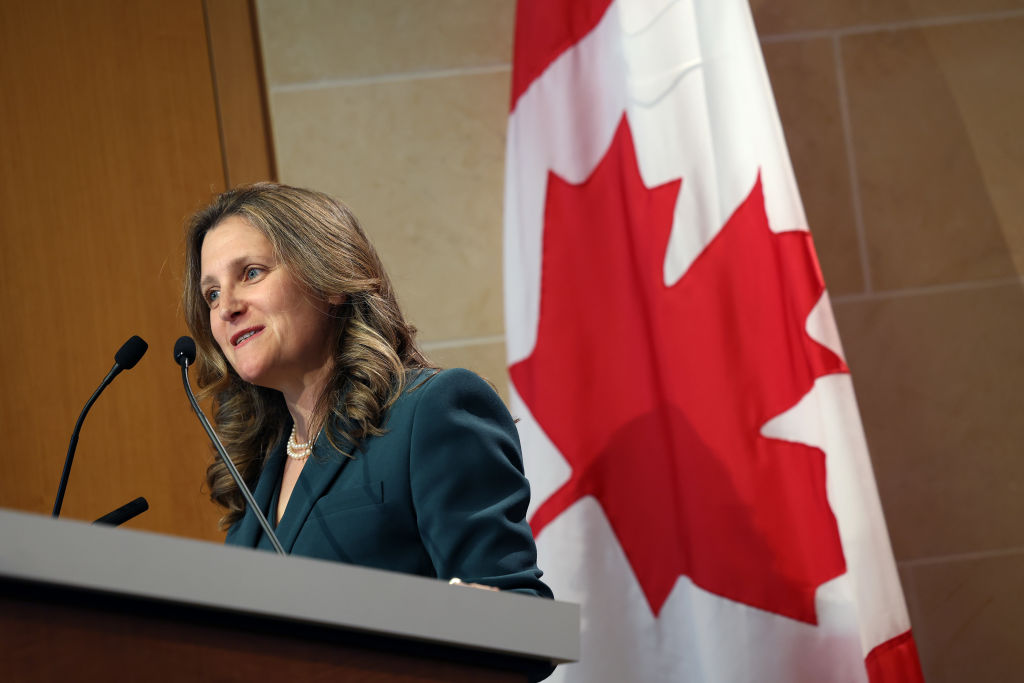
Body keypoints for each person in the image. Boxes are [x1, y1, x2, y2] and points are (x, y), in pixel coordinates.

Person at [182, 183, 551, 600]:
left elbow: (518, 612)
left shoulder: (432, 410)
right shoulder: (254, 472)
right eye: (211, 294)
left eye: (251, 273)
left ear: (330, 278)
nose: (226, 307)